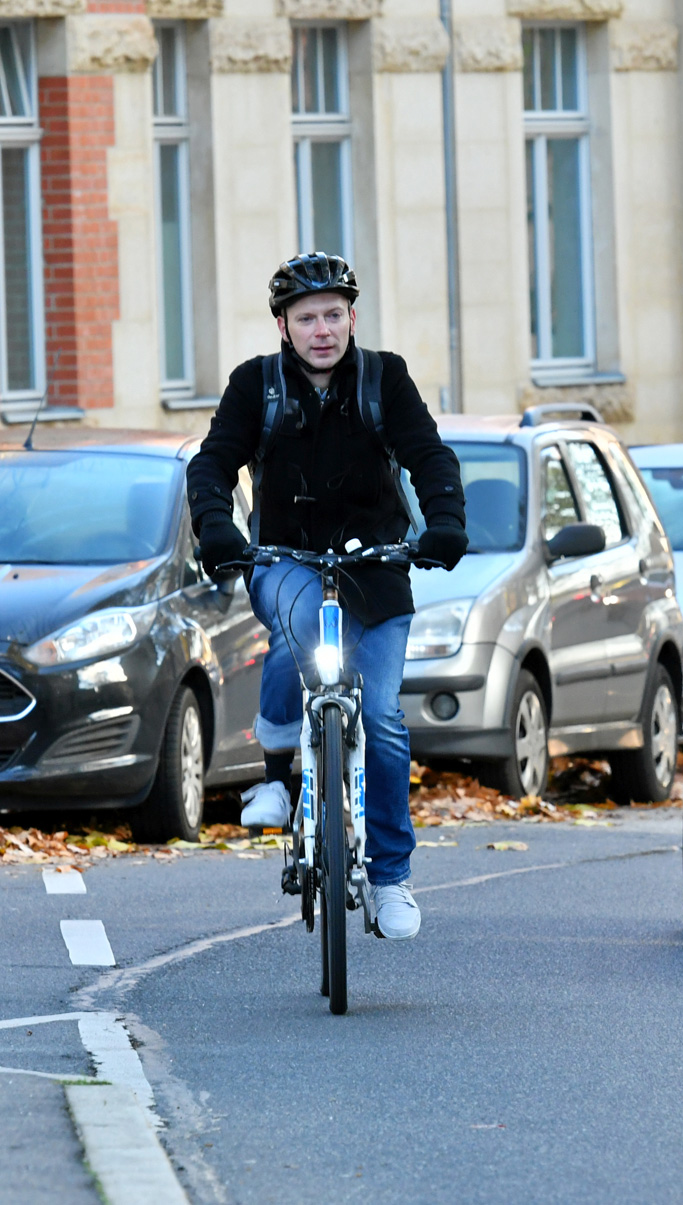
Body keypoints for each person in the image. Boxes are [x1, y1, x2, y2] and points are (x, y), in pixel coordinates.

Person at [185, 253, 467, 940]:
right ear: (283, 325)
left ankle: (392, 879)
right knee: (301, 630)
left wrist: (446, 520)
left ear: (352, 317)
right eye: (307, 318)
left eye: (334, 315)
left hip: (377, 566)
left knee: (385, 721)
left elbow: (428, 454)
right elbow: (213, 462)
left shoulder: (384, 378)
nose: (322, 330)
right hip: (286, 558)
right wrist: (219, 529)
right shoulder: (255, 385)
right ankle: (277, 772)